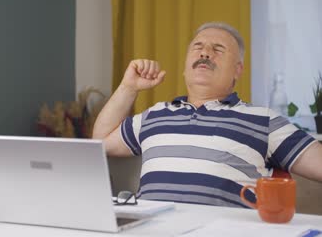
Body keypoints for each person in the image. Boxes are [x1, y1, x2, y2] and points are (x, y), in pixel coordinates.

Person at [92, 22, 322, 208]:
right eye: (198, 46)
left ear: (237, 70)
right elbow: (100, 143)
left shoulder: (263, 120)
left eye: (218, 49)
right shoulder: (155, 115)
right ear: (185, 66)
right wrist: (128, 87)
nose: (205, 52)